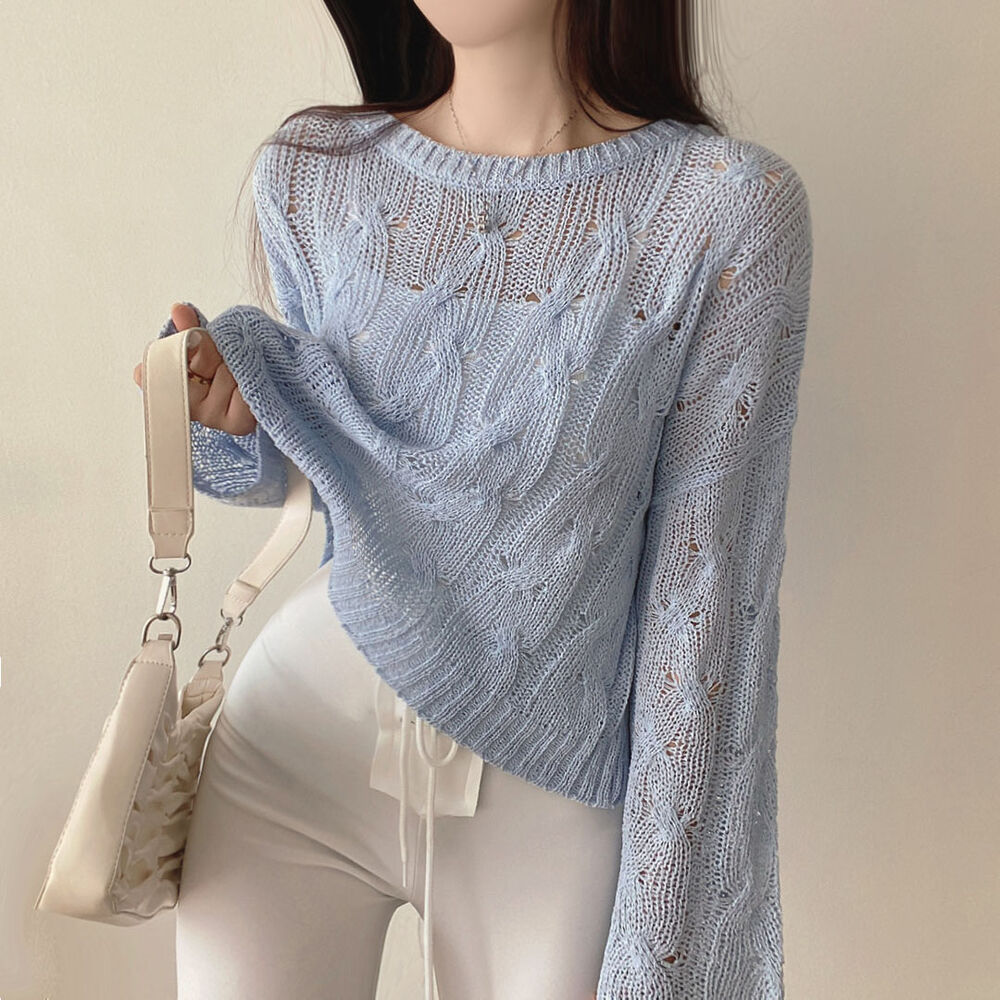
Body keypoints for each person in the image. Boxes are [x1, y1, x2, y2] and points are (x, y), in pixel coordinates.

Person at [134, 1, 813, 997]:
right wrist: (233, 410)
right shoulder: (315, 171)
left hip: (547, 802)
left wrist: (671, 933)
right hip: (295, 755)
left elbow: (707, 603)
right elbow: (345, 477)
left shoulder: (724, 209)